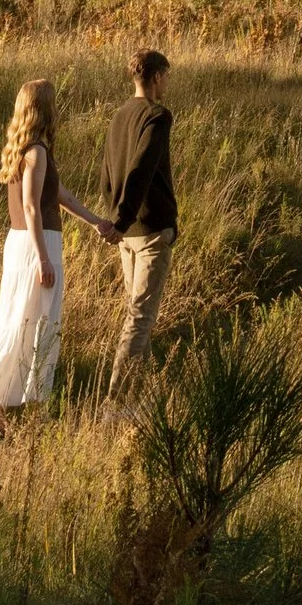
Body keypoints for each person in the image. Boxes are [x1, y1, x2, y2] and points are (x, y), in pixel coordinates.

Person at [0, 76, 101, 429]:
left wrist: (95, 222)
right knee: (37, 320)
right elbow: (31, 206)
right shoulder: (37, 151)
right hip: (35, 243)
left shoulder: (26, 147)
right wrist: (43, 257)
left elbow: (58, 195)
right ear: (44, 107)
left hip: (22, 242)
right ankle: (4, 398)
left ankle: (4, 396)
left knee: (20, 317)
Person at [98, 46, 178, 400]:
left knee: (138, 314)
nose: (166, 85)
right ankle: (116, 404)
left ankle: (144, 398)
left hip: (126, 233)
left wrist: (114, 217)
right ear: (157, 76)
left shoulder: (119, 116)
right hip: (147, 232)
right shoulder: (157, 116)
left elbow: (107, 173)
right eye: (166, 78)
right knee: (140, 319)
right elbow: (141, 169)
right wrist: (123, 218)